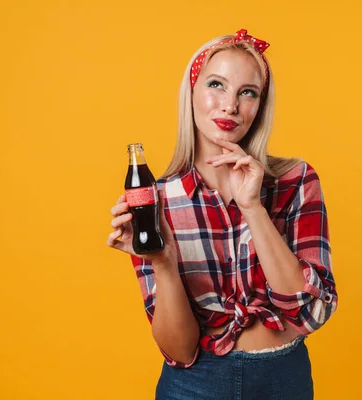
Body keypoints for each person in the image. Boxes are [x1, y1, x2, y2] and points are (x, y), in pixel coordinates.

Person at [107, 28, 338, 400]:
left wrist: (253, 207)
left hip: (284, 380)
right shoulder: (156, 200)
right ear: (191, 93)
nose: (230, 105)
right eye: (216, 85)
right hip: (194, 385)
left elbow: (308, 312)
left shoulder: (296, 181)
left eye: (248, 92)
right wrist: (162, 261)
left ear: (260, 106)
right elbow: (178, 352)